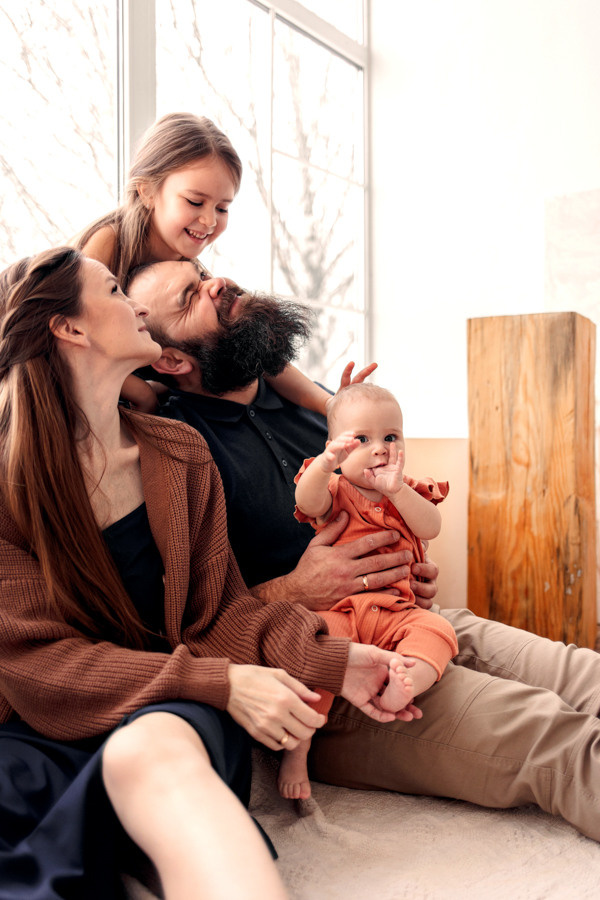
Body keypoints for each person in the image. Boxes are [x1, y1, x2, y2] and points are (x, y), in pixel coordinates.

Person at [126, 258, 600, 844]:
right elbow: (186, 626)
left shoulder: (320, 413)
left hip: (413, 619)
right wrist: (296, 589)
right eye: (191, 294)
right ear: (171, 360)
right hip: (331, 671)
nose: (217, 282)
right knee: (559, 737)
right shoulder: (174, 449)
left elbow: (390, 505)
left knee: (585, 674)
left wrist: (413, 563)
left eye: (207, 271)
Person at [0, 247, 414, 900]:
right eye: (114, 290)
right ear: (70, 328)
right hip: (44, 734)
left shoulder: (180, 454)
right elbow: (35, 665)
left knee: (154, 750)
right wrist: (223, 681)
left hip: (172, 716)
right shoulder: (9, 484)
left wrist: (337, 661)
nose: (133, 304)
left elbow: (222, 614)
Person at [75, 110, 337, 418]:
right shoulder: (106, 244)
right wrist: (141, 391)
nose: (209, 220)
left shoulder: (191, 265)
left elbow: (254, 351)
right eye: (195, 202)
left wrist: (330, 404)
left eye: (223, 208)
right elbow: (76, 345)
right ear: (146, 190)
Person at [279, 382, 459, 799]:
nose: (380, 449)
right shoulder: (334, 488)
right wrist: (324, 466)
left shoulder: (404, 491)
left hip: (398, 612)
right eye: (362, 439)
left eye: (391, 437)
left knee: (439, 631)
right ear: (335, 448)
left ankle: (405, 679)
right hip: (340, 611)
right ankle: (298, 748)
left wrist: (399, 491)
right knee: (316, 656)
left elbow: (431, 526)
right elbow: (307, 503)